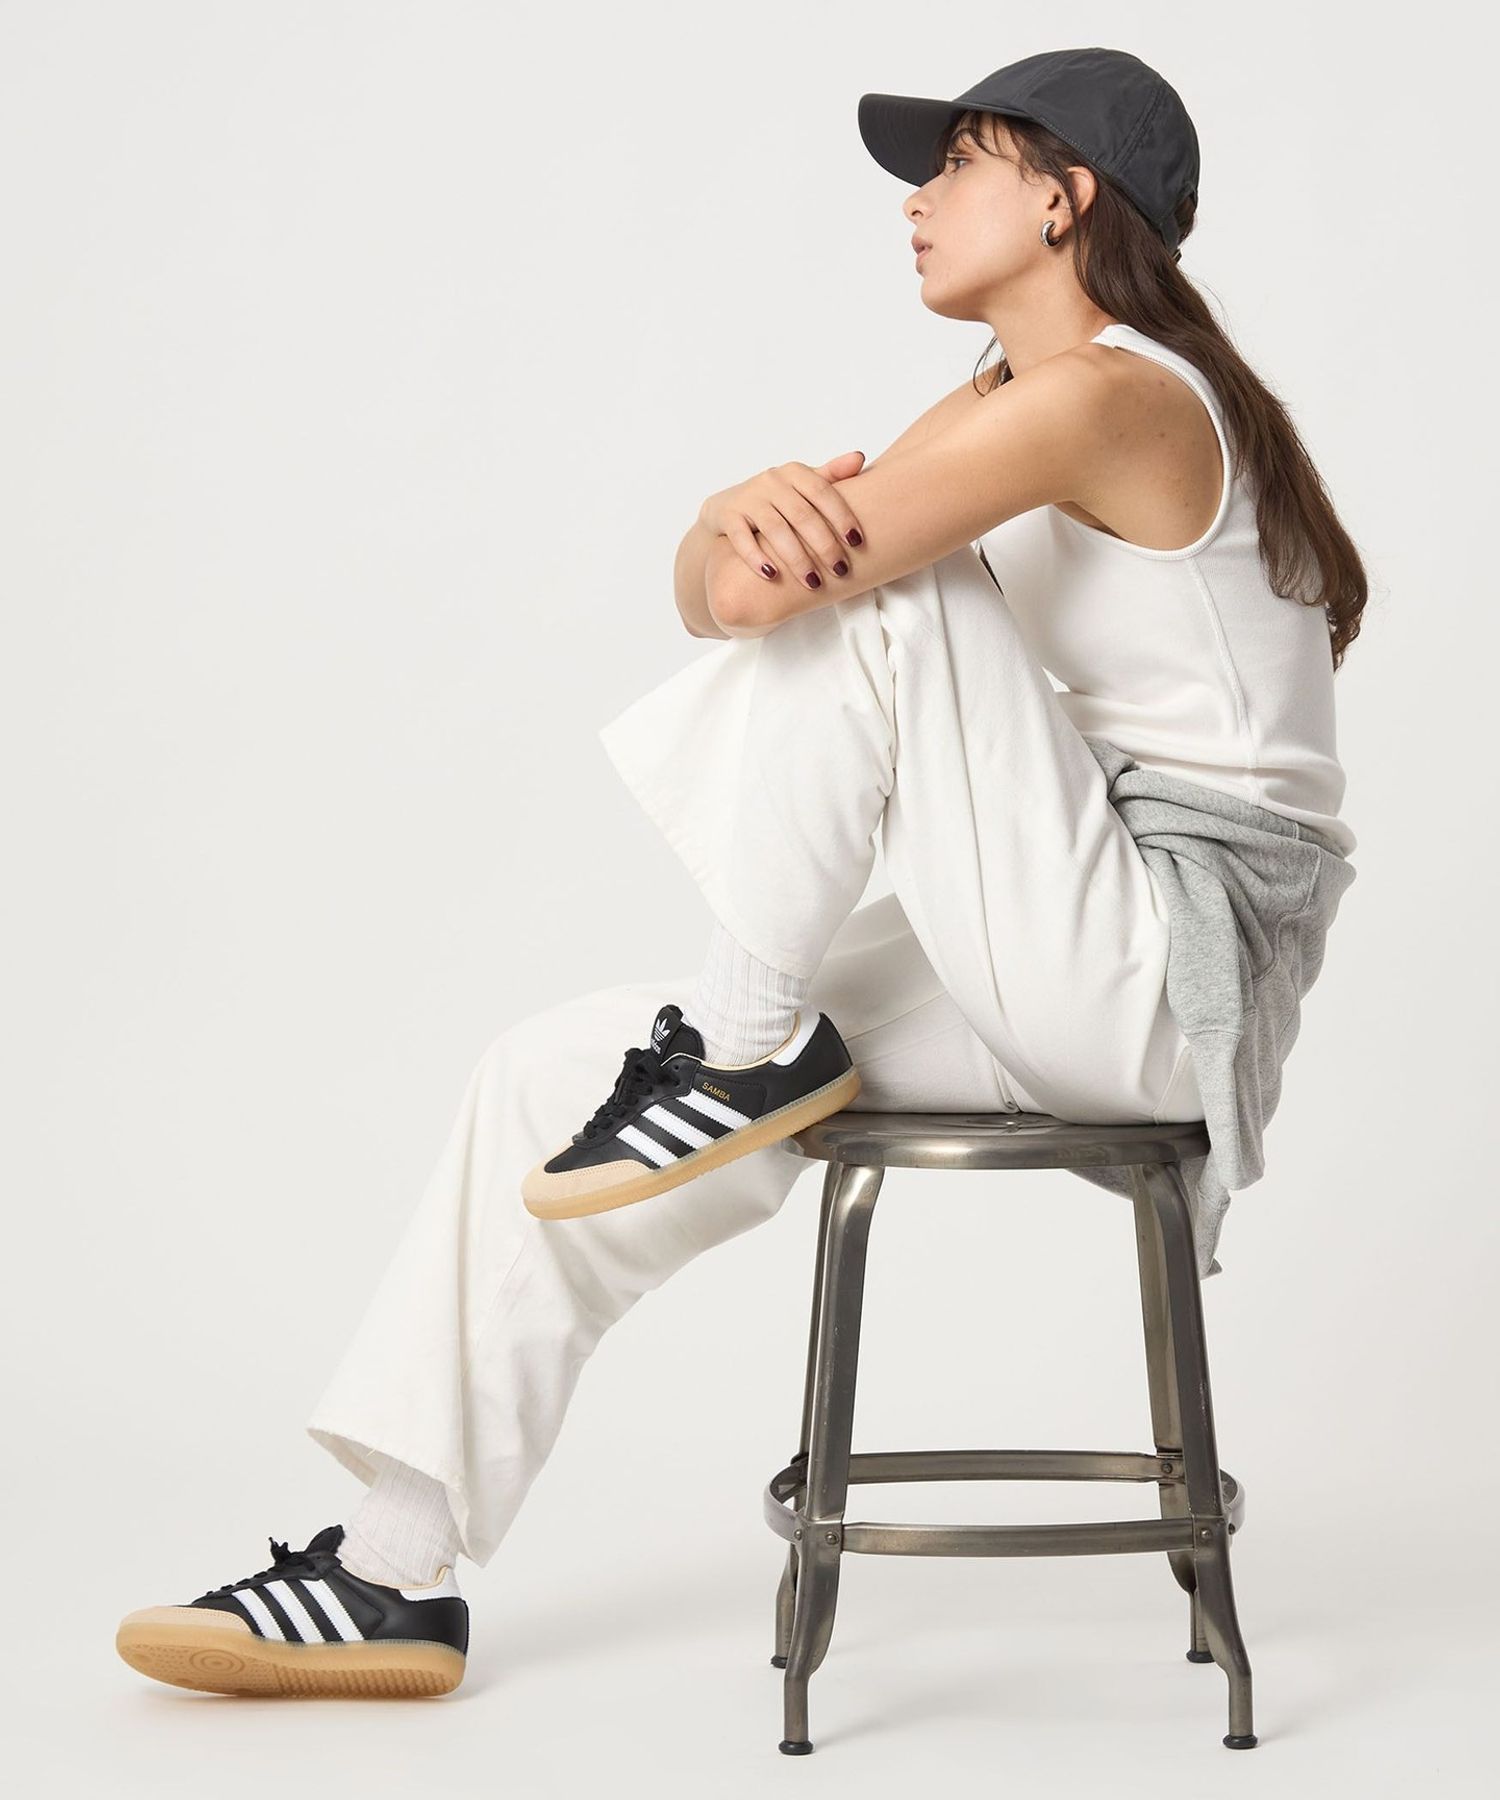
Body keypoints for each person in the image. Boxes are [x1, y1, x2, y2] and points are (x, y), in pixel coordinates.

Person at [115, 47, 1365, 1699]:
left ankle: (744, 1040)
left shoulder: (1115, 395)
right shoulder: (1004, 399)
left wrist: (755, 550)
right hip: (1063, 939)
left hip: (1170, 971)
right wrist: (725, 516)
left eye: (959, 165)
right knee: (548, 1074)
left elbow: (813, 589)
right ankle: (387, 1576)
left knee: (902, 595)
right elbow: (733, 588)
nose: (916, 202)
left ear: (1065, 199)